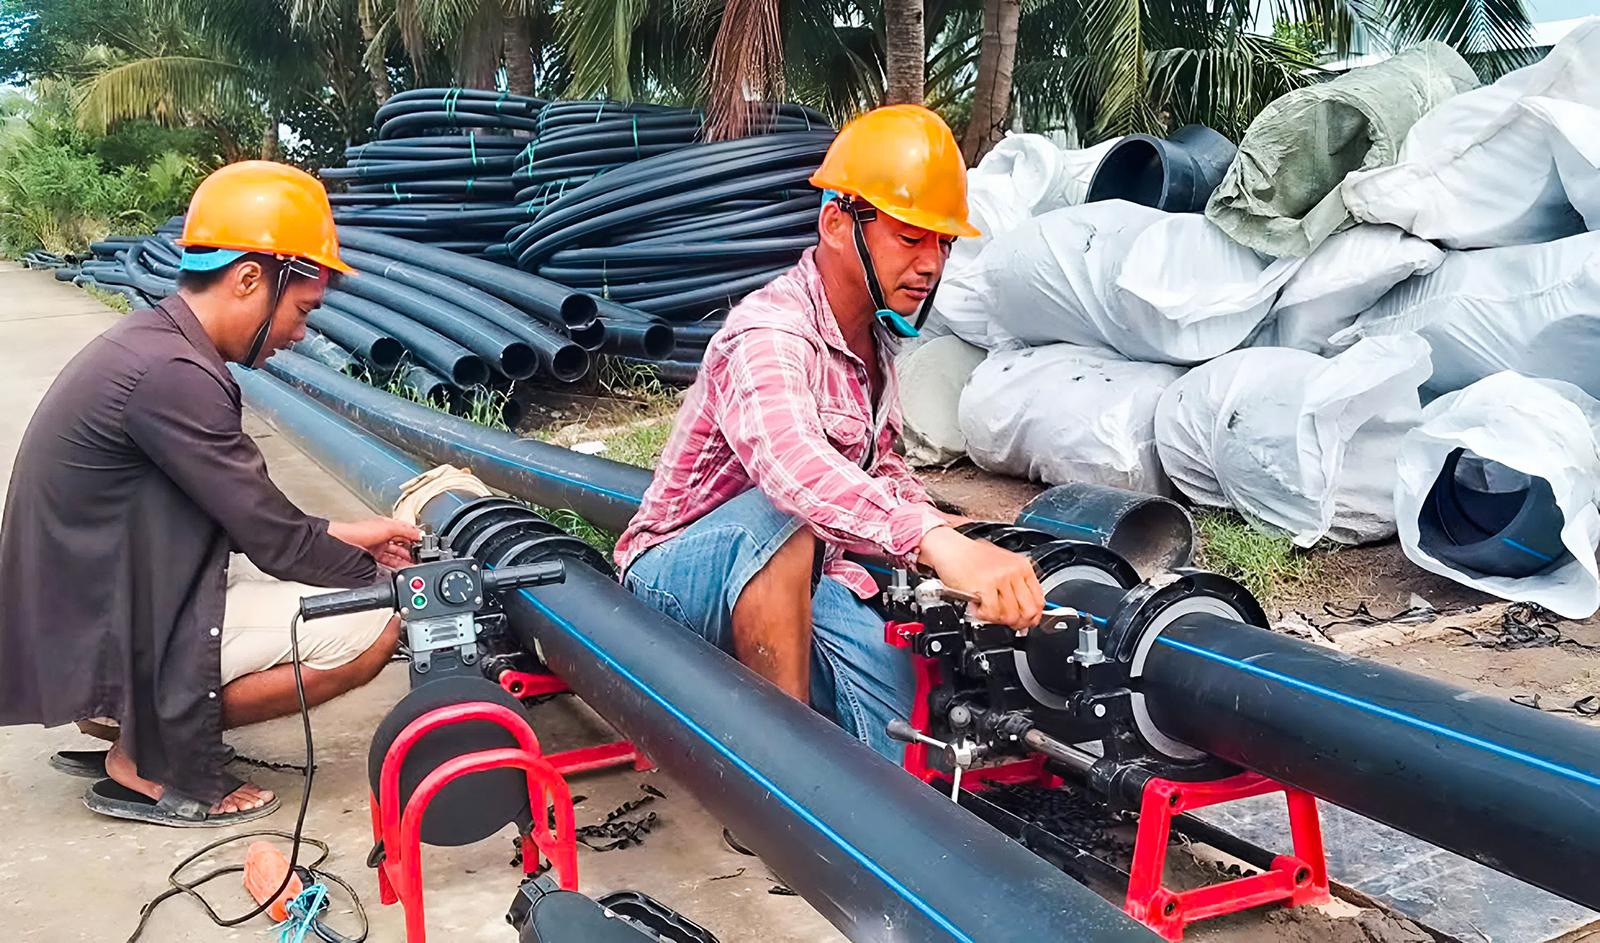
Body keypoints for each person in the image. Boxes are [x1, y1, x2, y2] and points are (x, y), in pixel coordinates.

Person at [615, 106, 1046, 762]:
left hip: (809, 573)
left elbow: (878, 468)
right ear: (837, 223)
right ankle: (777, 778)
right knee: (781, 518)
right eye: (910, 237)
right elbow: (794, 466)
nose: (930, 263)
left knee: (899, 728)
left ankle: (849, 789)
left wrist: (952, 534)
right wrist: (930, 540)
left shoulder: (874, 341)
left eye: (943, 244)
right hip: (674, 588)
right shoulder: (769, 333)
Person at [0, 161, 418, 827]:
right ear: (249, 278)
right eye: (302, 310)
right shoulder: (177, 375)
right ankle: (150, 754)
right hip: (99, 631)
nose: (300, 333)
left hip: (85, 615)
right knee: (371, 625)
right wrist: (394, 585)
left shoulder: (154, 345)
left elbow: (251, 515)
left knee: (333, 586)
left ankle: (132, 717)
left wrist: (348, 536)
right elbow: (277, 541)